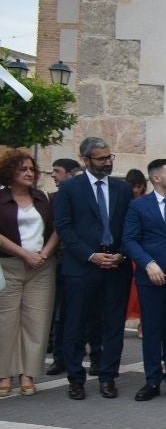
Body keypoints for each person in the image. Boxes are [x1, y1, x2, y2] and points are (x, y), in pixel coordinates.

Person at [52, 136, 133, 400]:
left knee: (112, 325)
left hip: (116, 267)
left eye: (110, 157)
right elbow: (64, 228)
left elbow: (128, 227)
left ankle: (108, 377)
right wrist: (90, 255)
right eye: (102, 158)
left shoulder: (122, 189)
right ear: (86, 160)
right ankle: (75, 378)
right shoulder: (70, 189)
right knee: (75, 325)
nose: (108, 162)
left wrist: (120, 254)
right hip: (81, 268)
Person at [121, 158, 166, 402]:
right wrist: (148, 263)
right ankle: (152, 380)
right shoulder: (139, 206)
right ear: (156, 178)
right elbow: (130, 239)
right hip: (149, 276)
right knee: (152, 329)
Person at [0, 149, 58, 398]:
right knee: (7, 322)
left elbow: (58, 229)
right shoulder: (1, 199)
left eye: (32, 169)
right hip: (9, 264)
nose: (28, 173)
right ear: (10, 172)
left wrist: (43, 254)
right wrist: (24, 254)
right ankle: (4, 375)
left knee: (37, 320)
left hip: (42, 266)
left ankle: (28, 374)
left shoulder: (43, 198)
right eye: (22, 169)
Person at [46, 158, 82, 376]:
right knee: (59, 314)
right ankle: (59, 357)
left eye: (57, 171)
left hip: (81, 262)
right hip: (60, 262)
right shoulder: (52, 199)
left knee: (80, 316)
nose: (52, 175)